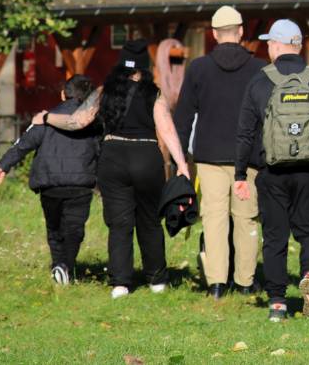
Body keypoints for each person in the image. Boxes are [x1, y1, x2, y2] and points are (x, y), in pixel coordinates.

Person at [33, 39, 191, 299]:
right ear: (144, 67)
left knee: (119, 223)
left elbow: (78, 121)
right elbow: (166, 128)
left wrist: (47, 117)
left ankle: (120, 283)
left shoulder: (104, 91)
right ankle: (157, 280)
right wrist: (182, 164)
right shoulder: (154, 92)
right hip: (146, 156)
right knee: (150, 221)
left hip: (113, 157)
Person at [234, 19, 309, 322]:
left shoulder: (260, 82)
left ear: (276, 45)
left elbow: (245, 133)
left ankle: (277, 303)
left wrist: (241, 175)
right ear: (299, 46)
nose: (267, 47)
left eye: (269, 43)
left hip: (272, 173)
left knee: (275, 237)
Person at [173, 6, 267, 299]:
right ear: (241, 32)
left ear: (213, 34)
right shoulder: (259, 68)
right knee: (246, 218)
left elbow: (184, 117)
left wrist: (180, 162)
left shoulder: (199, 68)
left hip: (208, 156)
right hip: (248, 158)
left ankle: (216, 283)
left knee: (214, 218)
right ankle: (245, 280)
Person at [0, 75, 100, 285]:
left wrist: (3, 165)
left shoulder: (46, 118)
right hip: (80, 184)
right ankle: (65, 267)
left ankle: (59, 265)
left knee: (54, 228)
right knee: (74, 230)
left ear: (63, 94)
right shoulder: (94, 122)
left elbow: (24, 143)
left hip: (49, 184)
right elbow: (102, 151)